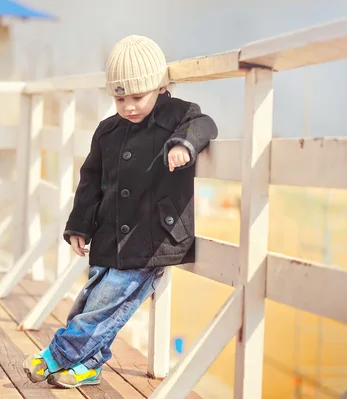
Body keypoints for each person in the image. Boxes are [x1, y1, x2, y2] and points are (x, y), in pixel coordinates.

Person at [22, 34, 218, 389]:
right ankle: (89, 365)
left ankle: (58, 355)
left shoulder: (178, 115)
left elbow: (205, 125)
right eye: (119, 98)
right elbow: (90, 180)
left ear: (160, 86)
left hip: (152, 238)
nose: (128, 106)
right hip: (110, 234)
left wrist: (184, 144)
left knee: (108, 302)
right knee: (92, 299)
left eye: (137, 97)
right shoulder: (107, 131)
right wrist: (80, 224)